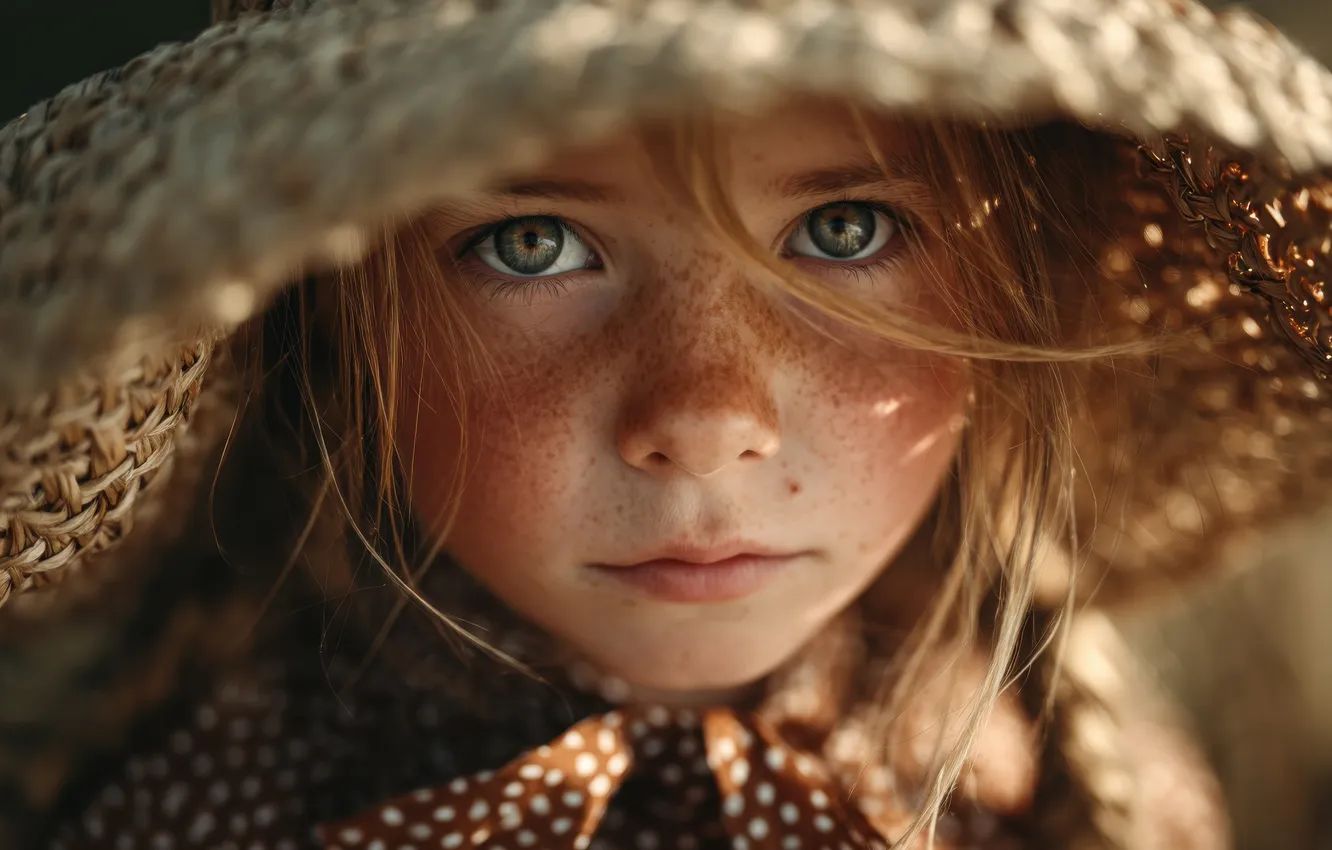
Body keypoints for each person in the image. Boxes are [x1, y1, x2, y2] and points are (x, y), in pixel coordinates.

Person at [2, 1, 1330, 848]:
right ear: (344, 310)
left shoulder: (1048, 773)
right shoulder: (224, 793)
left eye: (845, 229)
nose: (707, 417)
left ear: (1014, 288)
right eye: (533, 243)